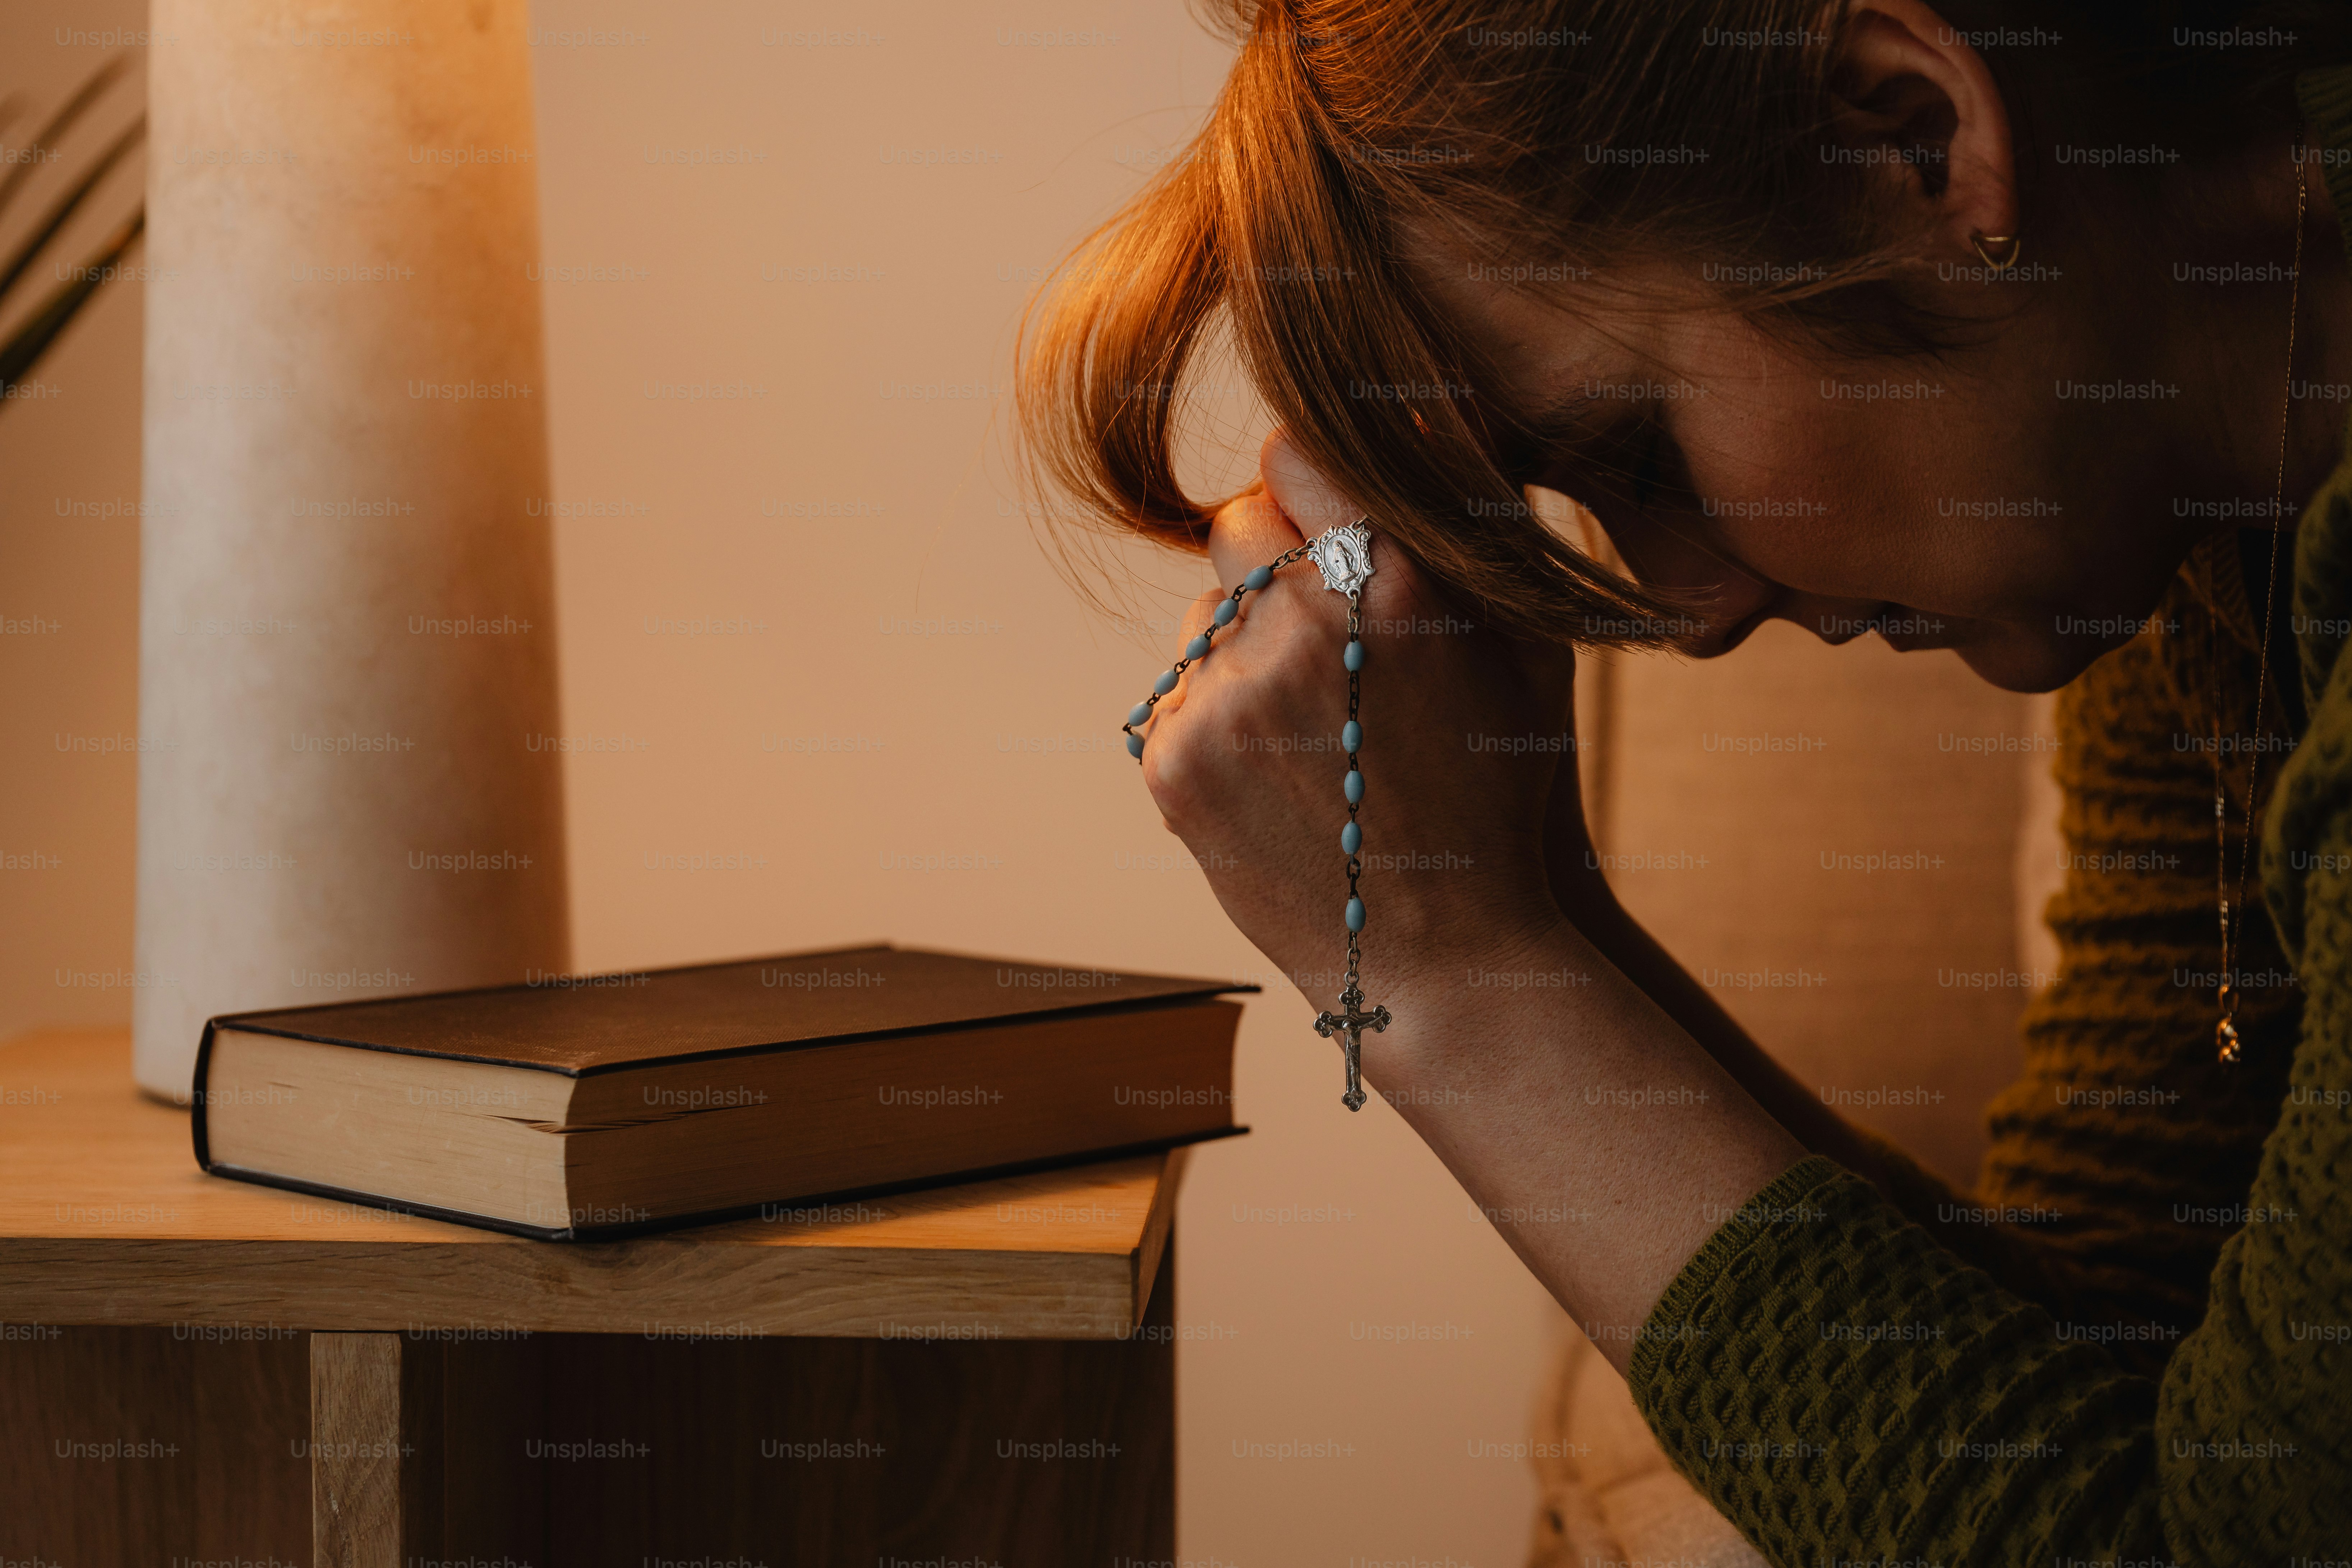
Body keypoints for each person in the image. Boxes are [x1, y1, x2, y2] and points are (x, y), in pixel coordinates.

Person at [1017, 0, 2352, 1560]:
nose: (1691, 616)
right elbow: (2134, 1346)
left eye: (1637, 452)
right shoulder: (2199, 549)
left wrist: (1465, 986)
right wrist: (1544, 916)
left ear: (1910, 140)